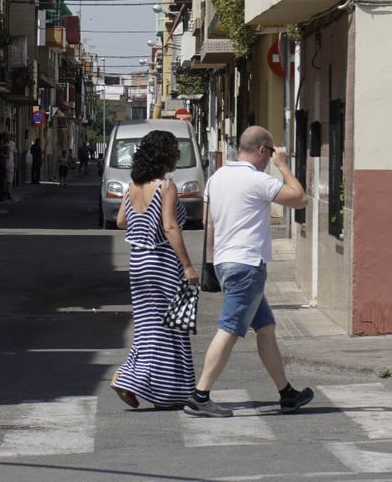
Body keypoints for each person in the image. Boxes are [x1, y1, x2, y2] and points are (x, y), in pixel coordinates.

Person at [183, 125, 314, 418]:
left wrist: (215, 263)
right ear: (261, 150)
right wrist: (283, 166)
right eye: (270, 153)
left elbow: (209, 223)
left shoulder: (216, 179)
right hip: (247, 266)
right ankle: (200, 395)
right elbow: (300, 198)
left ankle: (287, 393)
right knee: (229, 329)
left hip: (226, 262)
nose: (270, 158)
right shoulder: (257, 180)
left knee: (265, 328)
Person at [111, 130, 200, 410]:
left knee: (147, 327)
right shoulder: (166, 186)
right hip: (161, 264)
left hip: (137, 263)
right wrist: (187, 265)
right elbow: (170, 226)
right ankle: (132, 379)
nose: (177, 156)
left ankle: (148, 384)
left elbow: (121, 222)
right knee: (169, 328)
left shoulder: (132, 186)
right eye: (174, 151)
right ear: (165, 155)